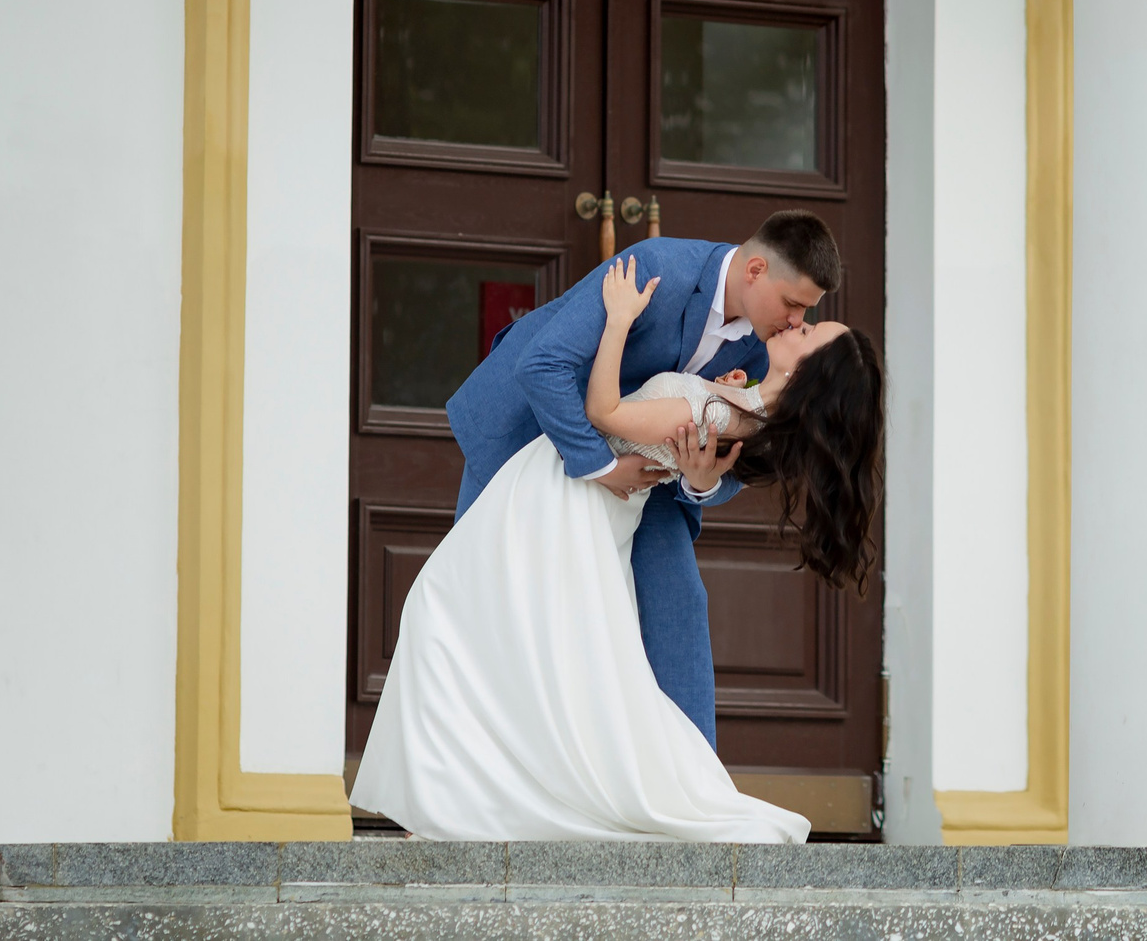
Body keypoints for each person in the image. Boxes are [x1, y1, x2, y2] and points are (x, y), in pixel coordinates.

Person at [352, 255, 884, 840]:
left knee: (456, 616)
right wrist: (719, 403)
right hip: (563, 494)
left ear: (809, 374)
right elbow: (687, 423)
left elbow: (604, 410)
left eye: (808, 331)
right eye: (802, 314)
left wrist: (619, 321)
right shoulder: (743, 401)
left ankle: (459, 804)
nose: (798, 323)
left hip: (566, 503)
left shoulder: (723, 410)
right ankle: (459, 800)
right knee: (497, 638)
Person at [438, 211, 844, 741]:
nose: (795, 321)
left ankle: (696, 793)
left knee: (679, 598)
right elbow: (544, 366)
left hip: (645, 477)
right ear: (756, 270)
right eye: (793, 304)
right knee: (479, 596)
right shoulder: (658, 269)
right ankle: (448, 778)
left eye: (806, 314)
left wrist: (701, 481)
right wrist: (604, 467)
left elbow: (742, 450)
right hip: (529, 434)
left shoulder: (764, 346)